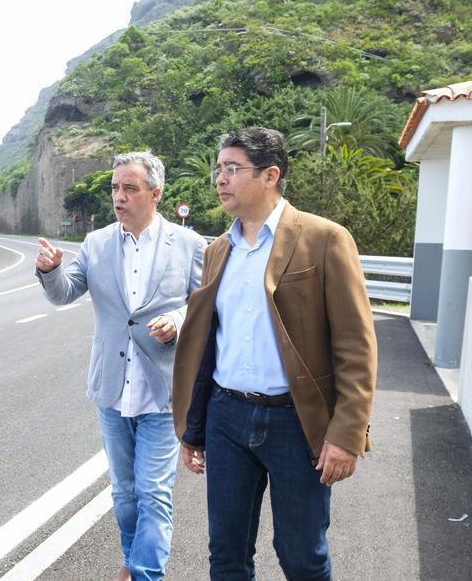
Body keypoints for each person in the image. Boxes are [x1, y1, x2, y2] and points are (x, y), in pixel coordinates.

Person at [172, 127, 377, 580]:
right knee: (226, 555)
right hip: (228, 417)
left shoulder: (324, 239)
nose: (220, 179)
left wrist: (346, 433)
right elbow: (207, 346)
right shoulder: (218, 250)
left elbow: (356, 345)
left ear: (270, 175)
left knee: (302, 556)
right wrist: (194, 427)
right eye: (218, 168)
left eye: (232, 169)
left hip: (295, 423)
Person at [36, 151, 205, 581]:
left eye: (130, 188)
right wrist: (51, 271)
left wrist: (180, 321)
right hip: (112, 390)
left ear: (156, 193)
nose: (119, 196)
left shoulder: (188, 245)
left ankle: (146, 574)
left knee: (154, 492)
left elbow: (204, 306)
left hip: (162, 392)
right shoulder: (96, 243)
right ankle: (133, 562)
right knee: (125, 494)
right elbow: (64, 293)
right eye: (115, 187)